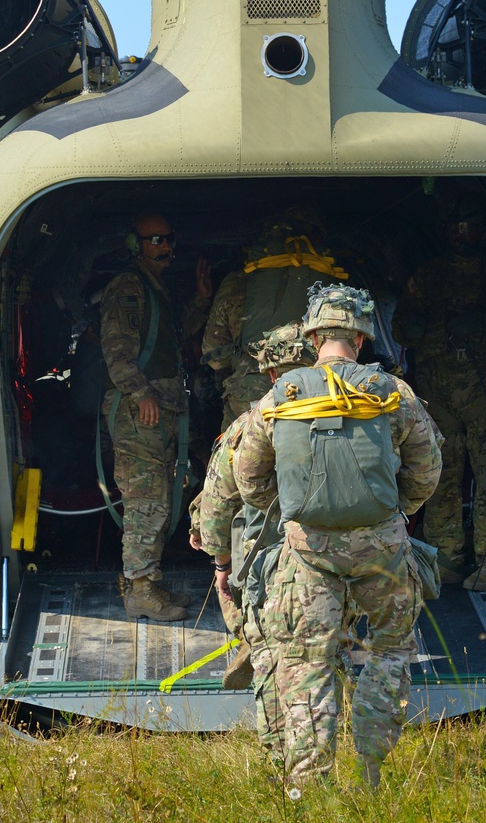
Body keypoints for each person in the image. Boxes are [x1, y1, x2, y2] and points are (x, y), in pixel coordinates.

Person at [233, 284, 443, 790]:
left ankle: (309, 787)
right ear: (362, 337)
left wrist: (295, 514)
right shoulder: (394, 393)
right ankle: (372, 769)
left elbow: (248, 475)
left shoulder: (281, 393)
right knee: (391, 649)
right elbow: (427, 468)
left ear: (311, 335)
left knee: (307, 663)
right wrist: (394, 513)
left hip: (310, 551)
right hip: (383, 547)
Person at [394, 195, 486, 592]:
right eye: (454, 227)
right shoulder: (428, 275)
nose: (461, 234)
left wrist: (484, 325)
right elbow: (401, 328)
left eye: (468, 225)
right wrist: (421, 324)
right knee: (440, 472)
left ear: (482, 229)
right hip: (438, 390)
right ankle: (446, 557)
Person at [189, 322, 318, 759]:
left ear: (269, 375)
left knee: (270, 656)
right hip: (339, 556)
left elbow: (218, 502)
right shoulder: (358, 416)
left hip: (270, 563)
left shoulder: (250, 425)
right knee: (325, 649)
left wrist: (221, 566)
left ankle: (279, 759)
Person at [100, 211, 212, 621]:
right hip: (140, 412)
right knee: (147, 503)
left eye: (169, 239)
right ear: (136, 246)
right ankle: (141, 591)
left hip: (162, 408)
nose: (166, 247)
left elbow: (174, 338)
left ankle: (147, 582)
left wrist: (201, 298)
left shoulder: (154, 289)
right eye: (155, 241)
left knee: (160, 500)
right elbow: (117, 348)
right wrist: (140, 391)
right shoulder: (129, 286)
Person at [201, 206, 349, 428]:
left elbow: (213, 355)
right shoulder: (332, 283)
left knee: (241, 460)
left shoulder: (238, 283)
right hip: (317, 392)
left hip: (252, 393)